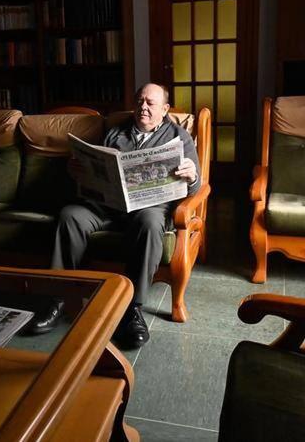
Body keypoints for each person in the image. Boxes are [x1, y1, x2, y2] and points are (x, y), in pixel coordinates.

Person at [27, 83, 201, 348]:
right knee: (70, 215)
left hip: (148, 208)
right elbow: (94, 171)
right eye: (140, 101)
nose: (143, 107)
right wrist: (79, 170)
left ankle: (132, 309)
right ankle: (59, 298)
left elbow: (196, 187)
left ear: (165, 109)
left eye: (150, 103)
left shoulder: (179, 137)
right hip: (107, 206)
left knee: (151, 223)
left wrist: (191, 175)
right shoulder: (114, 133)